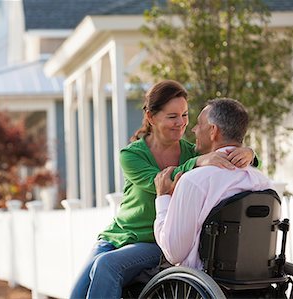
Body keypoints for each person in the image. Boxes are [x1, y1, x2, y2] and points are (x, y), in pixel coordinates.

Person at [69, 81, 256, 299]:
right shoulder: (131, 155)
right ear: (151, 117)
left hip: (153, 241)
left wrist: (250, 153)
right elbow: (160, 183)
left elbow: (227, 162)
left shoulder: (193, 152)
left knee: (106, 266)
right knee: (77, 294)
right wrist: (197, 163)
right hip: (117, 237)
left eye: (185, 115)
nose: (182, 123)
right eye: (172, 116)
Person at [154, 98, 273, 270]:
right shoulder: (264, 183)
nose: (194, 129)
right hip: (256, 274)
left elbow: (174, 253)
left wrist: (163, 198)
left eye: (199, 124)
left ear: (213, 131)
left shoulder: (194, 181)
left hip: (204, 281)